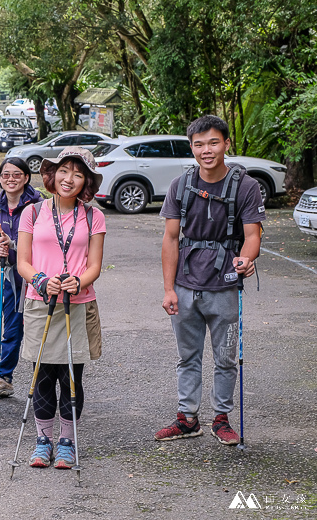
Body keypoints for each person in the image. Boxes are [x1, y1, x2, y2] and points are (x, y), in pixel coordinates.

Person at [157, 115, 264, 446]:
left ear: (227, 144)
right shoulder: (181, 185)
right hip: (186, 286)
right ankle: (188, 419)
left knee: (226, 357)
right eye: (199, 144)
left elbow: (252, 235)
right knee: (187, 356)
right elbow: (171, 238)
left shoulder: (246, 186)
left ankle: (221, 417)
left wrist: (247, 258)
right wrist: (168, 288)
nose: (207, 150)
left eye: (213, 142)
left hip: (225, 285)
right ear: (191, 147)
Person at [17, 147, 106, 469]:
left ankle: (67, 442)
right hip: (41, 302)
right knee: (41, 376)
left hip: (78, 303)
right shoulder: (32, 212)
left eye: (78, 174)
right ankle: (42, 443)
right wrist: (40, 280)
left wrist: (79, 280)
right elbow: (22, 262)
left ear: (86, 182)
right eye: (64, 171)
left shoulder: (94, 216)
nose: (70, 179)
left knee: (71, 377)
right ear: (52, 175)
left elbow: (95, 266)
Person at [0, 157, 43, 399]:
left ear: (26, 177)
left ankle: (45, 380)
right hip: (11, 278)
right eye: (5, 175)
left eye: (16, 174)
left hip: (38, 279)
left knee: (40, 328)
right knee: (12, 328)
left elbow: (46, 243)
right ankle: (4, 378)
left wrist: (15, 244)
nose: (11, 179)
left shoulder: (40, 206)